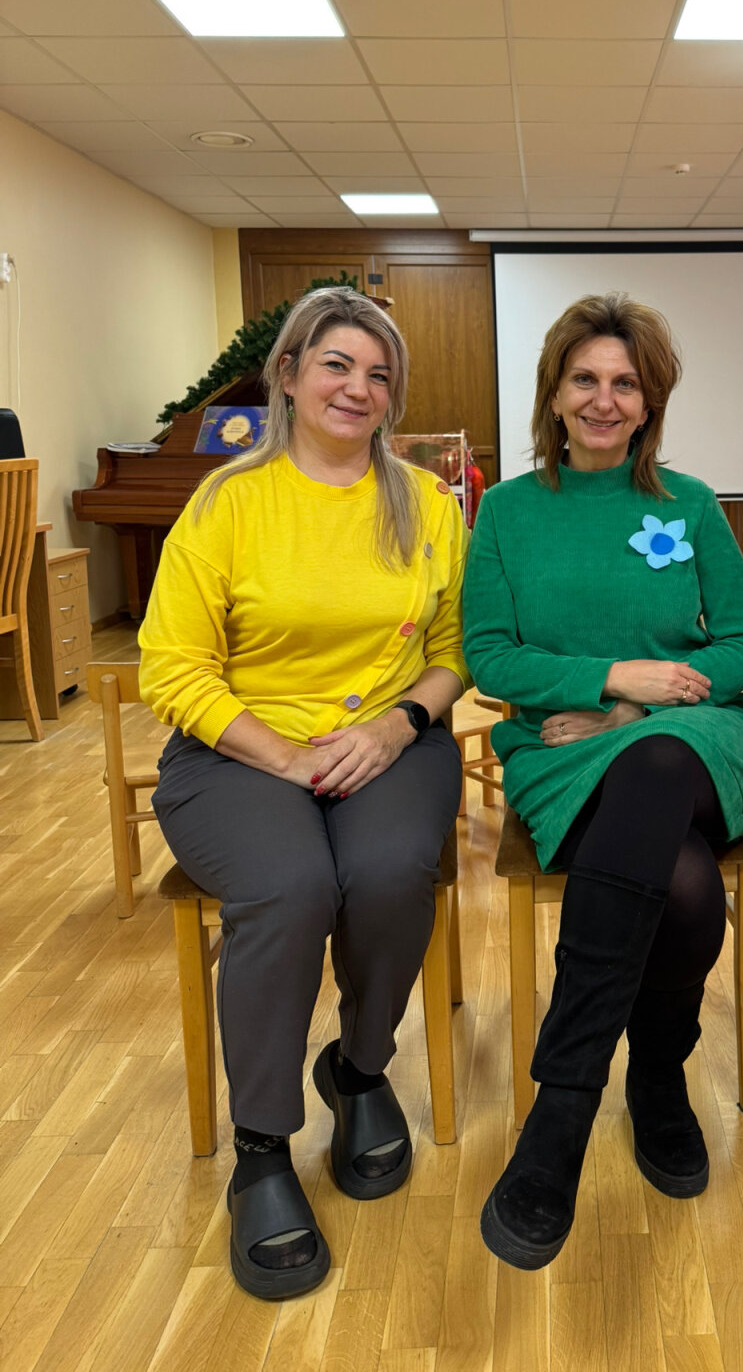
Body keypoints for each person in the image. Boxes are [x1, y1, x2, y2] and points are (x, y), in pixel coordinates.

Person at [140, 287, 469, 1301]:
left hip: (389, 741)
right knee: (290, 886)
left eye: (378, 374)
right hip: (239, 748)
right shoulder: (228, 502)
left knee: (391, 869)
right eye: (336, 364)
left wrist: (396, 725)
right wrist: (284, 757)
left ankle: (359, 1070)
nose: (358, 388)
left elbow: (456, 649)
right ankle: (262, 1146)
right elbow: (171, 667)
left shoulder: (427, 504)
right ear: (286, 374)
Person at [463, 292, 743, 1271]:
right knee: (685, 887)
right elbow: (489, 655)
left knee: (659, 759)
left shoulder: (690, 503)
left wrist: (638, 707)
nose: (605, 399)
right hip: (561, 748)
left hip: (691, 736)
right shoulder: (507, 512)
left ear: (650, 402)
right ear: (553, 394)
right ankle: (655, 1080)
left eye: (626, 383)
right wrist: (608, 679)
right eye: (585, 379)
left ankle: (560, 1111)